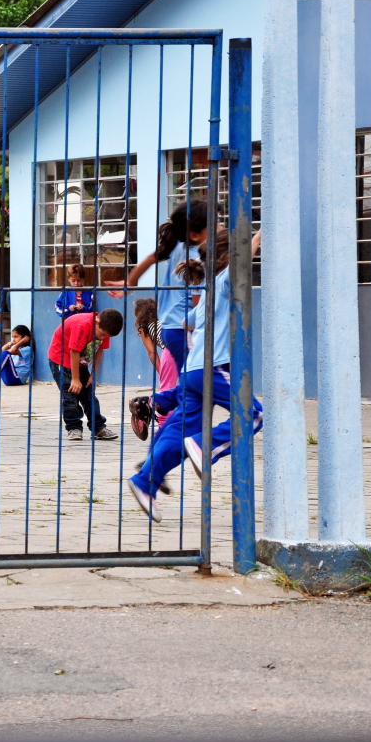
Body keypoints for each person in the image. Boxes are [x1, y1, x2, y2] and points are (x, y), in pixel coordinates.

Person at [127, 227, 263, 523]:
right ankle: (207, 445)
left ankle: (144, 480)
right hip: (215, 368)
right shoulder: (225, 282)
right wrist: (259, 236)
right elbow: (241, 264)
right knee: (253, 415)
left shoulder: (208, 288)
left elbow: (189, 322)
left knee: (178, 431)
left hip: (191, 372)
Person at [117, 200, 208, 373]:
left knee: (191, 381)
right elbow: (198, 305)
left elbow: (152, 257)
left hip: (168, 327)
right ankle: (159, 400)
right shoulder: (198, 258)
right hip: (184, 329)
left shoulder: (179, 246)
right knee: (197, 380)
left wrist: (131, 281)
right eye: (212, 225)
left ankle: (164, 399)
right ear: (195, 234)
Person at [48, 307, 123, 442]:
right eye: (102, 335)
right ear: (97, 322)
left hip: (80, 361)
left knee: (89, 394)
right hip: (61, 358)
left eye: (106, 336)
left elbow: (100, 350)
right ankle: (74, 428)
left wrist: (93, 374)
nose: (103, 338)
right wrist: (75, 379)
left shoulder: (105, 328)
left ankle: (98, 428)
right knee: (70, 394)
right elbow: (74, 352)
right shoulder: (82, 325)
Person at [129, 297, 177, 439]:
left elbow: (152, 353)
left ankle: (150, 409)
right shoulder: (163, 321)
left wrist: (162, 371)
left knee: (166, 389)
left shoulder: (144, 328)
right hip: (187, 345)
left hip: (170, 349)